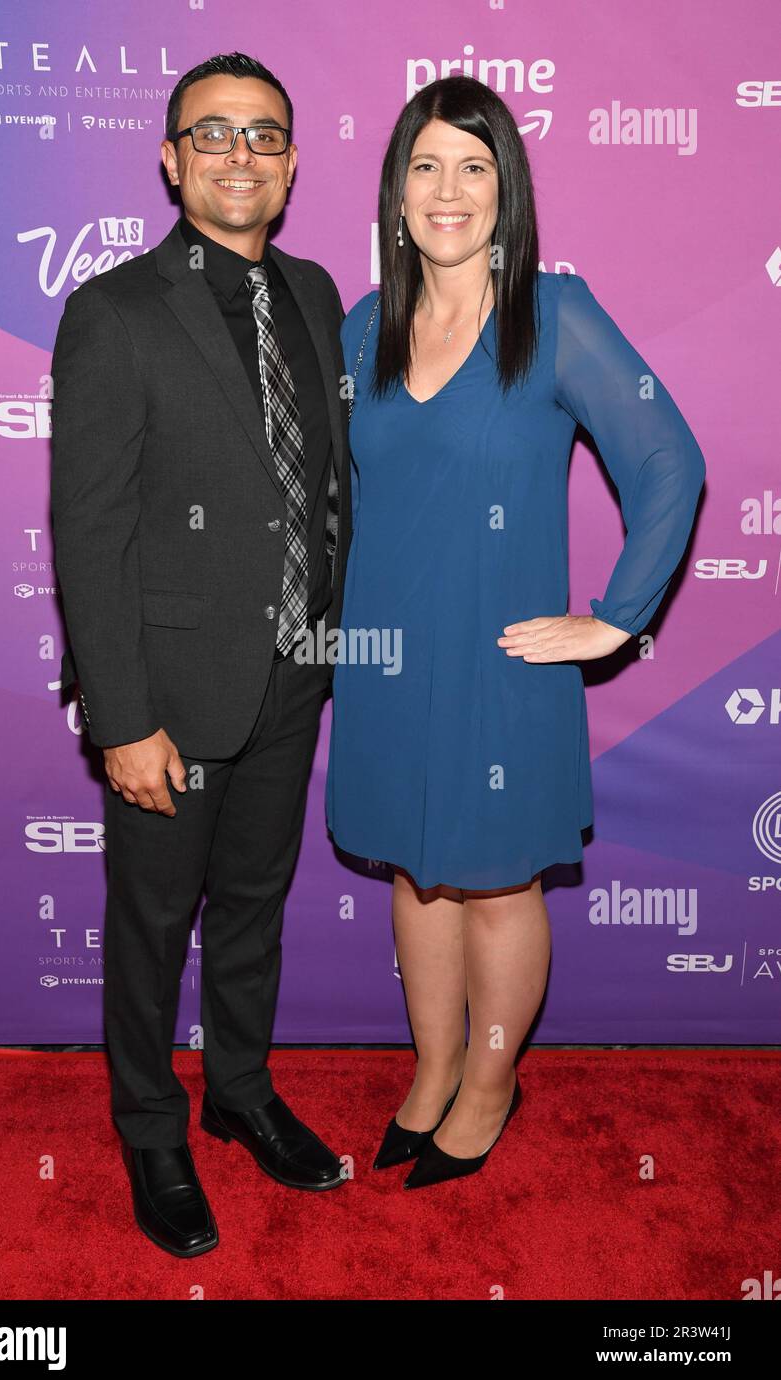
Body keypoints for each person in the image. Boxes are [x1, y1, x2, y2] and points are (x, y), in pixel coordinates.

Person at [326, 75, 706, 1190]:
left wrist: (615, 619)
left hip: (503, 664)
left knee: (494, 886)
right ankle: (432, 1068)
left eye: (473, 166)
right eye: (426, 165)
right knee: (413, 872)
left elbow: (666, 461)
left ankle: (490, 1085)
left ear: (506, 191)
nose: (448, 190)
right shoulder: (363, 327)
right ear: (396, 190)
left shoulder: (555, 314)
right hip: (386, 660)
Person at [50, 51, 352, 1258]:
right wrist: (120, 718)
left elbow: (322, 488)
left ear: (290, 162)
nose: (240, 155)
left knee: (255, 907)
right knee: (150, 919)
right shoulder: (116, 311)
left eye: (263, 135)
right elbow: (91, 527)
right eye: (211, 135)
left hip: (291, 673)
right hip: (169, 692)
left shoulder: (322, 294)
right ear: (171, 161)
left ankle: (237, 1089)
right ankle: (150, 1126)